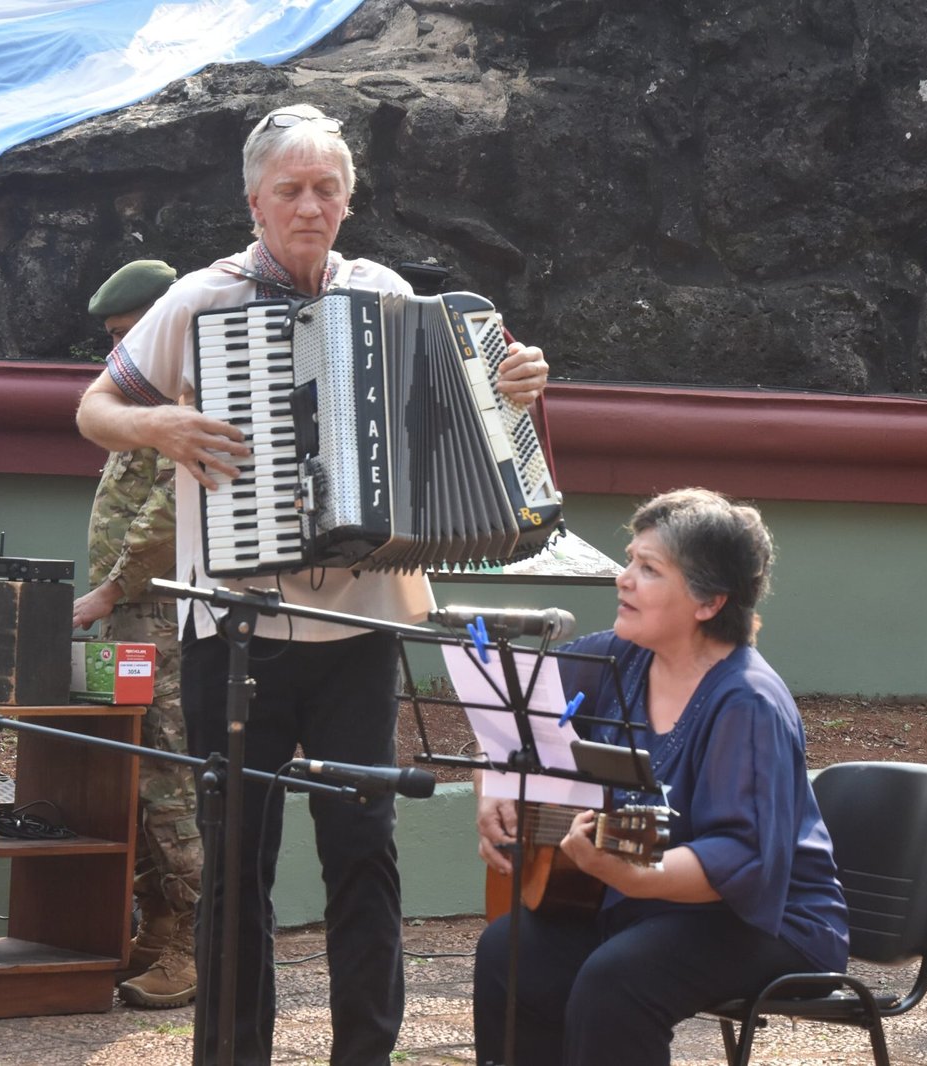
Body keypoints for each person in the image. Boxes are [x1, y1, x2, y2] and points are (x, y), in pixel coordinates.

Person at [75, 103, 549, 1065]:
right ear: (254, 200)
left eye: (325, 188)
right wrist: (157, 427)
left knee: (363, 855)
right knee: (236, 861)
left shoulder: (389, 294)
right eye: (289, 189)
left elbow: (477, 414)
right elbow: (94, 406)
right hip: (235, 626)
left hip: (363, 624)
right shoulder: (201, 300)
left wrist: (516, 382)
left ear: (348, 199)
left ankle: (363, 1055)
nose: (308, 205)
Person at [472, 488, 850, 1066]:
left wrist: (628, 873)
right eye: (630, 561)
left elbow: (739, 860)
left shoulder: (747, 704)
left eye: (648, 569)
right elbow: (507, 714)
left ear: (708, 601)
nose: (623, 579)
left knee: (618, 977)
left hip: (767, 921)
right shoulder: (618, 659)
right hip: (649, 903)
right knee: (511, 951)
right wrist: (495, 784)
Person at [72, 258, 204, 1008]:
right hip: (125, 619)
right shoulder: (140, 394)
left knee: (166, 777)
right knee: (132, 771)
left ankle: (186, 945)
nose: (118, 354)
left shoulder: (186, 392)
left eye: (129, 335)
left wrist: (112, 590)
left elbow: (169, 511)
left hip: (156, 618)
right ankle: (155, 929)